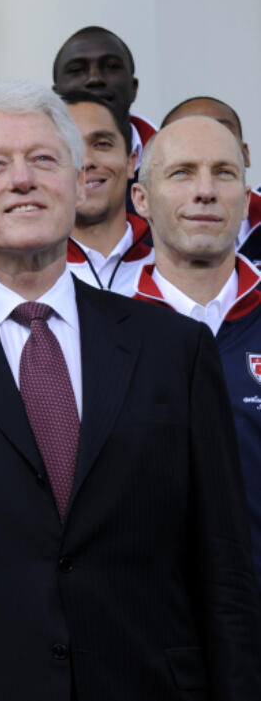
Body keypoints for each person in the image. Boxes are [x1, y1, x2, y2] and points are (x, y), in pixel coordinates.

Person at [0, 79, 261, 699]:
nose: (23, 180)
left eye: (43, 159)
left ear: (79, 178)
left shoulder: (174, 348)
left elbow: (224, 569)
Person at [130, 115, 261, 594]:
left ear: (246, 201)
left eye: (224, 173)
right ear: (141, 199)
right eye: (182, 172)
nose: (205, 191)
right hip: (152, 634)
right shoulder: (102, 330)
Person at [62, 90, 151, 294]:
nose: (86, 161)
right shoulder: (22, 275)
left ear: (131, 162)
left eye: (102, 144)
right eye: (69, 147)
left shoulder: (173, 270)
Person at [161, 96, 261, 262]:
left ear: (245, 154)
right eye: (187, 136)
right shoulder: (141, 238)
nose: (207, 143)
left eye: (222, 131)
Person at [52, 25, 157, 166]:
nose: (95, 79)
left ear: (133, 88)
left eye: (112, 66)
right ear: (55, 96)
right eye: (77, 70)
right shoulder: (33, 163)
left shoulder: (169, 152)